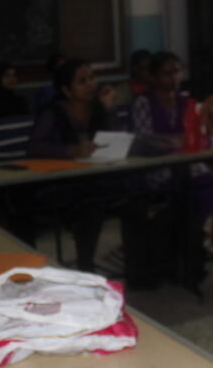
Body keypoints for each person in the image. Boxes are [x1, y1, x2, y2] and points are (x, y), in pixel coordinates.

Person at [28, 59, 150, 281]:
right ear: (66, 90)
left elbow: (118, 139)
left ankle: (138, 269)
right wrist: (71, 150)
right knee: (91, 204)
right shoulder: (53, 112)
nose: (91, 84)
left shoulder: (98, 108)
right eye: (82, 81)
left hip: (97, 179)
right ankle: (86, 267)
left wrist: (109, 109)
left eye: (92, 78)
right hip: (61, 183)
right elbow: (34, 148)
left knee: (136, 196)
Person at [129, 51, 213, 286]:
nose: (174, 78)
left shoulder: (186, 101)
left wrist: (192, 140)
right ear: (154, 77)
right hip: (157, 166)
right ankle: (190, 247)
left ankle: (190, 242)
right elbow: (142, 140)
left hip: (186, 164)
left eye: (177, 72)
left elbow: (202, 137)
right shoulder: (144, 102)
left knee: (207, 182)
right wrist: (175, 141)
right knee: (185, 193)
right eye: (167, 73)